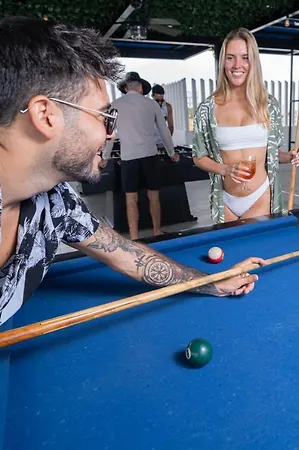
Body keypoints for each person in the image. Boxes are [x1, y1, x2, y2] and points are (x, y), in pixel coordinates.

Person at [0, 17, 266, 327]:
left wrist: (212, 282)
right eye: (104, 117)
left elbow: (127, 256)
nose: (111, 133)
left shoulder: (57, 202)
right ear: (45, 115)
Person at [192, 28, 299, 224]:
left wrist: (291, 156)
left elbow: (272, 153)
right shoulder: (207, 109)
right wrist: (224, 169)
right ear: (223, 62)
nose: (237, 65)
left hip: (259, 196)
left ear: (253, 62)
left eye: (245, 57)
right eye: (230, 58)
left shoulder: (269, 105)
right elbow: (198, 157)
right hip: (225, 200)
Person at [112, 72, 178, 238]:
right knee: (153, 196)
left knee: (131, 198)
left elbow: (109, 134)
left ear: (125, 88)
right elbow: (164, 131)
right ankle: (157, 231)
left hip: (128, 157)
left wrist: (105, 157)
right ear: (141, 88)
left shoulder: (115, 105)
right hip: (150, 155)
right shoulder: (151, 104)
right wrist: (172, 153)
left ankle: (134, 237)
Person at [152, 84, 174, 152]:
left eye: (161, 101)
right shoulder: (148, 106)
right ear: (153, 96)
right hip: (151, 141)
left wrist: (167, 140)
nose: (159, 103)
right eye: (157, 100)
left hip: (163, 141)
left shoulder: (167, 107)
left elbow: (171, 125)